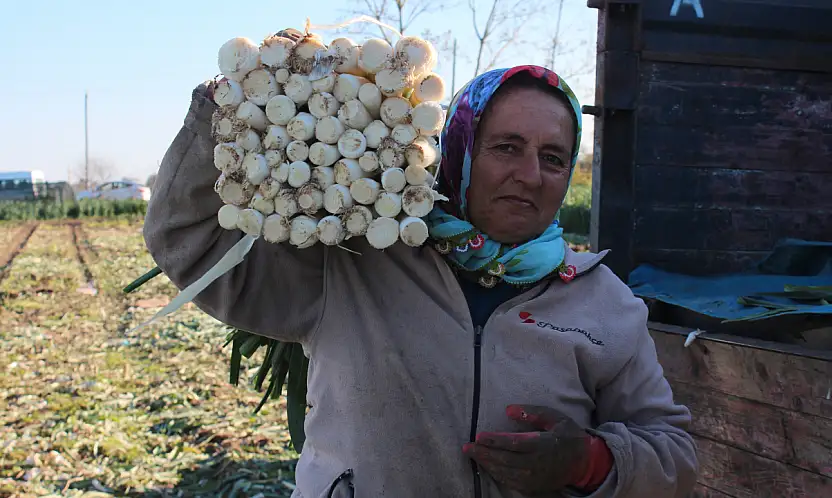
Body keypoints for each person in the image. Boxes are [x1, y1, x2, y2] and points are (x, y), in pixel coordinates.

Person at [144, 56, 699, 497]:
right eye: (506, 148)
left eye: (553, 158)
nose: (530, 176)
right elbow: (188, 237)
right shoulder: (357, 263)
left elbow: (673, 453)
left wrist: (587, 462)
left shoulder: (605, 303)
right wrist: (224, 108)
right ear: (458, 150)